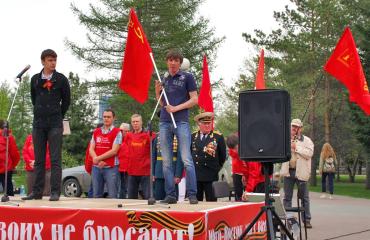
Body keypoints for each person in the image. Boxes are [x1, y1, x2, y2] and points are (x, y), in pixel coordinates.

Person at [23, 49, 70, 201]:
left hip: (55, 123)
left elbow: (66, 100)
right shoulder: (35, 79)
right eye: (50, 60)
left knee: (55, 159)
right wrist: (40, 112)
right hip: (38, 124)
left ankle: (55, 192)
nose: (53, 63)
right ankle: (36, 192)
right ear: (43, 61)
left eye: (55, 60)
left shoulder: (61, 79)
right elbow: (34, 99)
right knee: (39, 159)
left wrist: (58, 115)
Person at [155, 49, 199, 204]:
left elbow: (194, 99)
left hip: (181, 121)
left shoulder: (187, 77)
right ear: (167, 62)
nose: (172, 62)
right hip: (165, 122)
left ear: (180, 63)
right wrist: (157, 91)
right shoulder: (164, 78)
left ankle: (192, 194)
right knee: (166, 161)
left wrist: (176, 108)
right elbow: (162, 103)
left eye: (175, 60)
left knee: (186, 158)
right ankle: (170, 195)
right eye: (170, 60)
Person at [280, 118, 314, 228]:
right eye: (292, 126)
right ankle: (288, 219)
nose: (294, 128)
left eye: (296, 127)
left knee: (304, 197)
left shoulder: (307, 141)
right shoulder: (285, 140)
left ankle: (306, 219)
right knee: (287, 198)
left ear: (301, 129)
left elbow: (309, 154)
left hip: (301, 173)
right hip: (288, 172)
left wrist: (297, 147)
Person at [191, 112, 226, 201]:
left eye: (209, 123)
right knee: (196, 202)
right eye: (204, 123)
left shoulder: (218, 136)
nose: (207, 126)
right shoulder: (192, 136)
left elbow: (222, 156)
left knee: (211, 202)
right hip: (196, 174)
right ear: (199, 124)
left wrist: (216, 168)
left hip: (211, 174)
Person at [89, 109, 122, 198]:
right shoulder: (96, 131)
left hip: (111, 168)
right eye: (104, 117)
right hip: (96, 168)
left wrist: (98, 159)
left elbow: (114, 151)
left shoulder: (117, 132)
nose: (106, 119)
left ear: (113, 118)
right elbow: (91, 148)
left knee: (113, 196)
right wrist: (96, 159)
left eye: (108, 117)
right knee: (96, 195)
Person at [124, 114, 154, 199]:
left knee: (148, 197)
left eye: (137, 121)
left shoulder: (148, 135)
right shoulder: (128, 136)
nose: (135, 123)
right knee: (131, 198)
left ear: (141, 122)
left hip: (145, 171)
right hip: (131, 171)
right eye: (133, 122)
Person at [152, 135, 183, 200]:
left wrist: (178, 174)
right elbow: (153, 156)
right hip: (159, 172)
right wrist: (153, 173)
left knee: (172, 201)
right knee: (158, 199)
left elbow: (180, 158)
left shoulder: (178, 138)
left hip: (172, 174)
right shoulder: (157, 137)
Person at [0, 119, 20, 196]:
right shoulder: (9, 137)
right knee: (8, 189)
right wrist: (13, 165)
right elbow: (14, 153)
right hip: (6, 167)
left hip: (6, 167)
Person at [226, 133, 248, 201]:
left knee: (248, 191)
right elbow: (231, 153)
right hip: (237, 170)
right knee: (238, 192)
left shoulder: (245, 138)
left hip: (247, 170)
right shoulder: (233, 139)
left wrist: (245, 174)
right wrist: (237, 152)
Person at [118, 122, 130, 199]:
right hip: (118, 168)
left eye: (125, 131)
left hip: (127, 169)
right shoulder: (117, 140)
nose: (122, 132)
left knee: (126, 188)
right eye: (121, 130)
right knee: (119, 188)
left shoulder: (130, 139)